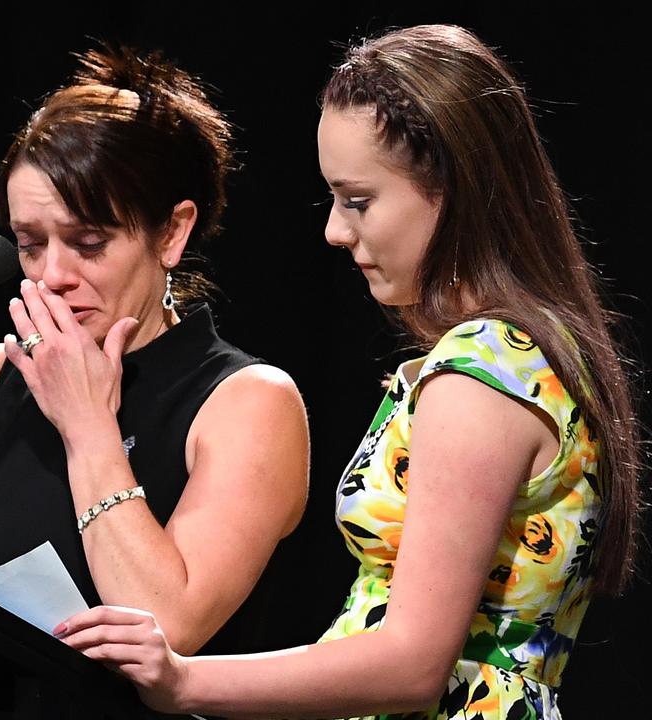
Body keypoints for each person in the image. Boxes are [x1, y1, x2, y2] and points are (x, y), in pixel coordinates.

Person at [55, 24, 643, 720]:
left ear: (452, 188)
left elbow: (412, 662)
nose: (335, 230)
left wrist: (185, 681)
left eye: (358, 200)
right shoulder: (522, 357)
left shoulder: (480, 376)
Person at [0, 47, 309, 659]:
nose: (53, 274)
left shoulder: (248, 403)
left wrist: (89, 426)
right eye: (31, 244)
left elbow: (167, 623)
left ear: (172, 232)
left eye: (89, 242)